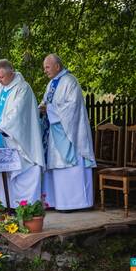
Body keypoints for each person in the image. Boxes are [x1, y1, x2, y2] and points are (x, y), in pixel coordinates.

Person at [0, 59, 44, 208]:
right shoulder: (0, 88)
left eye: (1, 77)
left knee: (25, 171)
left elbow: (17, 114)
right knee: (7, 171)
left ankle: (28, 208)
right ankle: (8, 204)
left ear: (11, 73)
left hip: (20, 141)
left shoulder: (23, 88)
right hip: (3, 139)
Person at [40, 54, 96, 212]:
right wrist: (41, 108)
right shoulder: (52, 83)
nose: (45, 71)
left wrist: (48, 109)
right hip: (55, 133)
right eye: (44, 68)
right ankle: (60, 202)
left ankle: (78, 203)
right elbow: (46, 101)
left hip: (71, 133)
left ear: (57, 66)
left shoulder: (70, 81)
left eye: (47, 67)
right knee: (58, 169)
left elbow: (72, 107)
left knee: (72, 169)